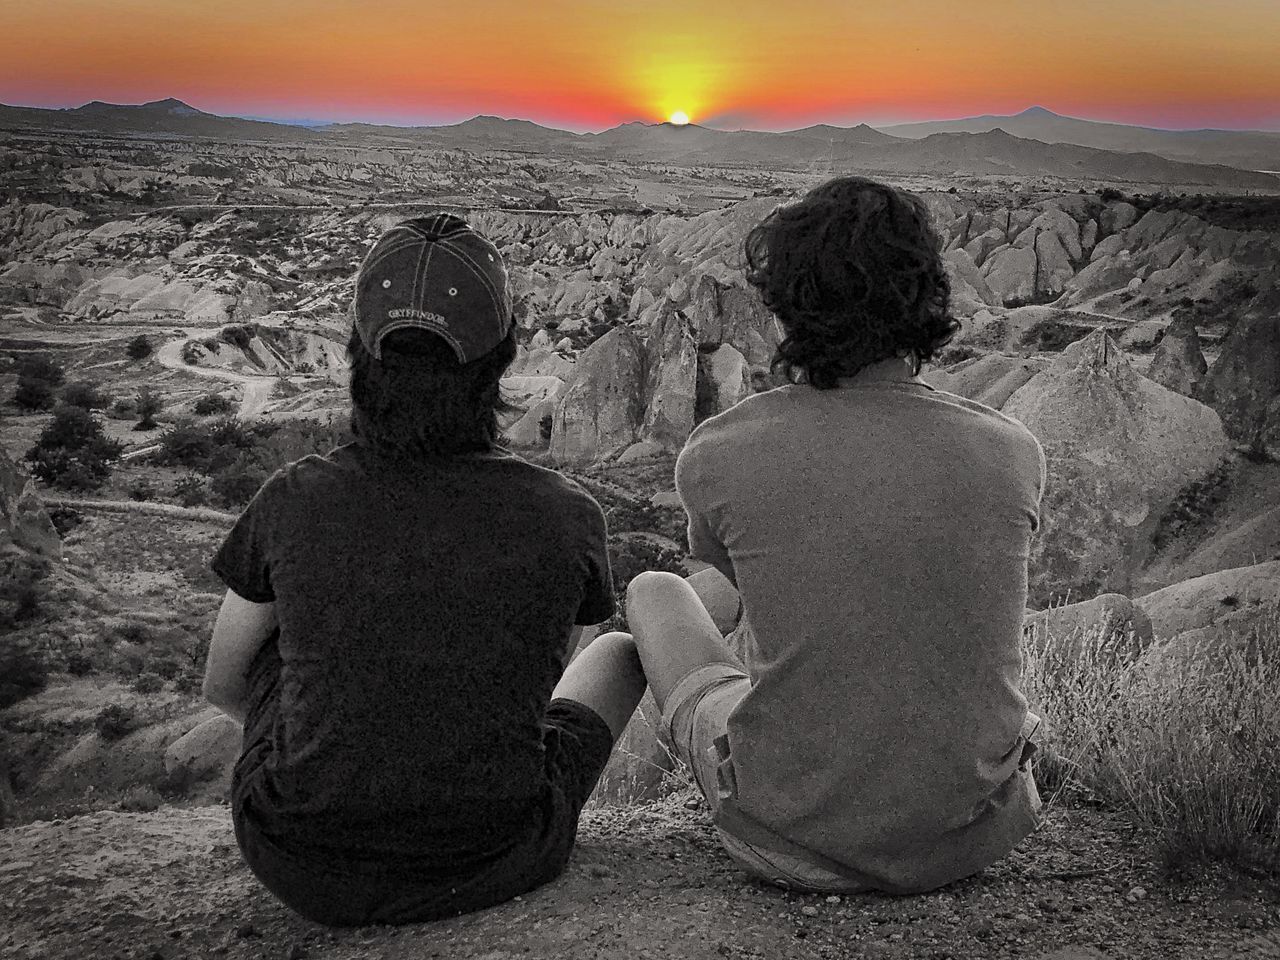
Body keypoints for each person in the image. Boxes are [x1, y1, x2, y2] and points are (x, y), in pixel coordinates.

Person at [202, 213, 647, 925]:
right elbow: (548, 678)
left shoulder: (294, 498)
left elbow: (223, 681)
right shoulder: (567, 515)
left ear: (360, 353)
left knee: (276, 643)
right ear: (499, 361)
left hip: (297, 859)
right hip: (498, 852)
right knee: (621, 650)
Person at [625, 176, 1046, 894]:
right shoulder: (1012, 448)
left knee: (657, 588)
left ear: (786, 301)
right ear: (928, 295)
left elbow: (727, 574)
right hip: (968, 841)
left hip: (787, 838)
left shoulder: (719, 451)